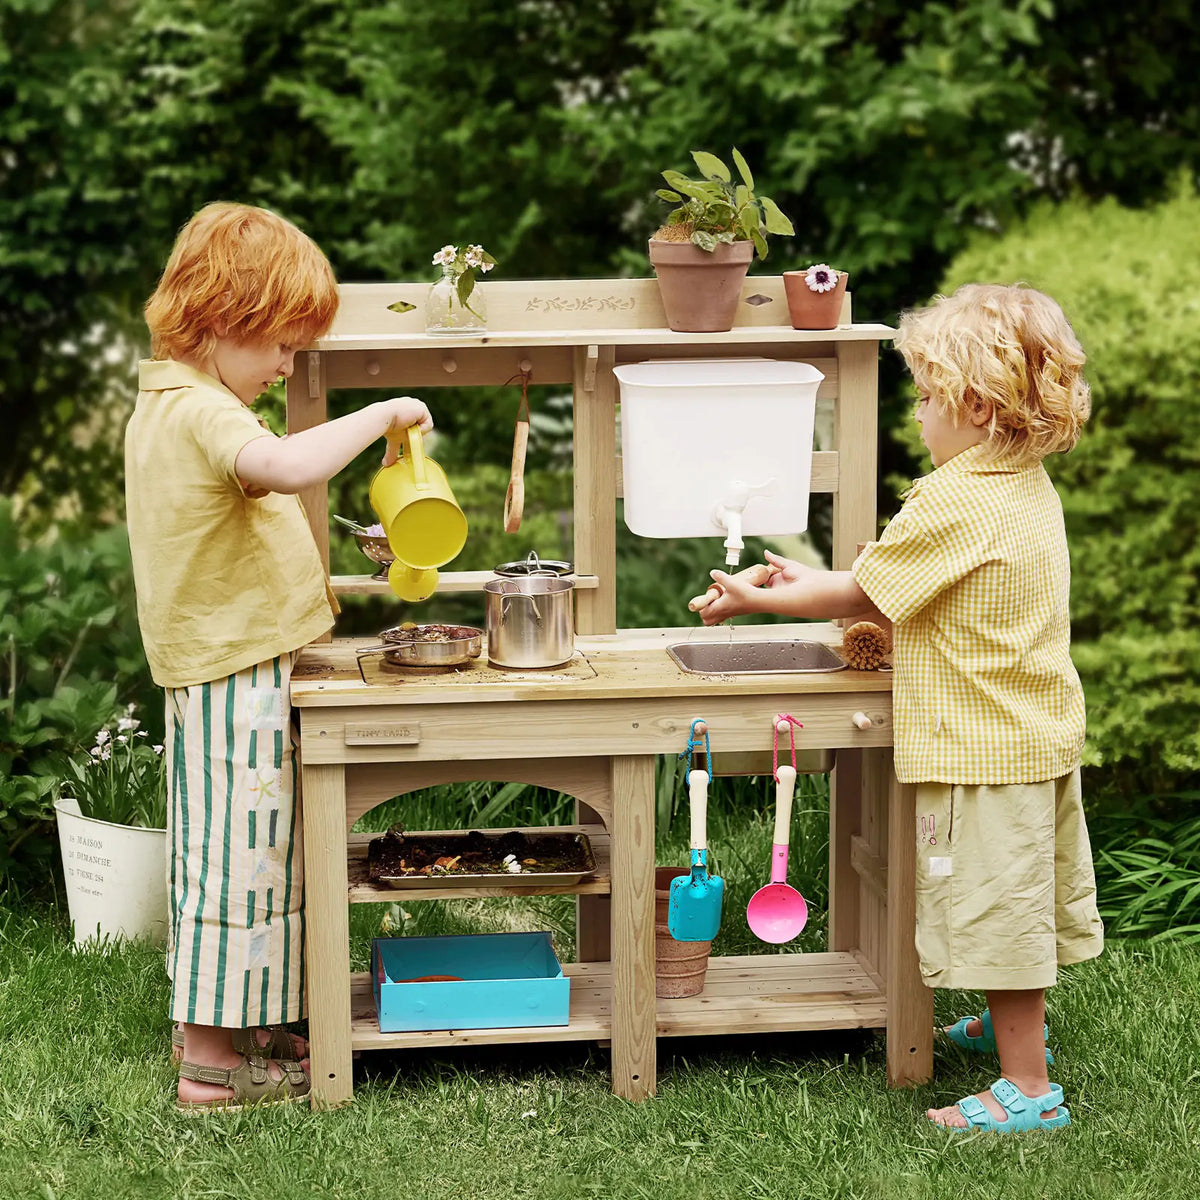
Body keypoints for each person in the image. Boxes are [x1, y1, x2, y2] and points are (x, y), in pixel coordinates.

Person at [699, 283, 1104, 1133]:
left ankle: (1028, 1091)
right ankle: (1007, 1029)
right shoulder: (1020, 483)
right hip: (1032, 732)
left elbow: (863, 589)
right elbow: (891, 587)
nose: (915, 417)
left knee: (997, 916)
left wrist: (757, 598)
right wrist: (811, 585)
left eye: (925, 398)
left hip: (984, 745)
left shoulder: (956, 497)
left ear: (978, 406)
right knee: (1020, 897)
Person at [126, 201, 433, 1112]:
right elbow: (285, 470)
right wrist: (380, 415)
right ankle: (213, 1063)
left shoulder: (183, 403)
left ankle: (248, 1021)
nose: (288, 367)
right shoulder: (198, 410)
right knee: (238, 861)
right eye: (282, 348)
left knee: (259, 853)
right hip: (229, 675)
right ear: (225, 321)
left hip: (235, 666)